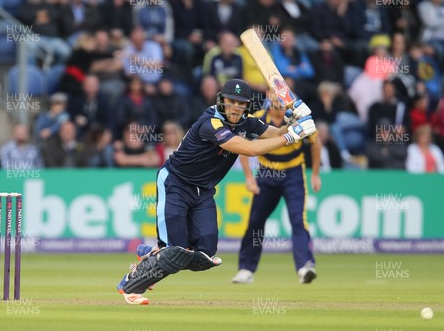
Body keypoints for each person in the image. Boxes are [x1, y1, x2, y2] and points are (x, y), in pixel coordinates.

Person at [115, 79, 317, 305]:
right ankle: (130, 285)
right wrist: (291, 135)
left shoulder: (246, 122)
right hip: (176, 184)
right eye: (231, 102)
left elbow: (275, 133)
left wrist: (293, 123)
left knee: (204, 254)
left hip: (203, 192)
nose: (236, 107)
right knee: (174, 252)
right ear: (222, 101)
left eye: (241, 104)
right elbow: (249, 149)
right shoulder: (210, 123)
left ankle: (149, 254)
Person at [231, 91, 321, 285]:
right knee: (255, 220)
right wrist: (249, 178)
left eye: (281, 95)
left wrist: (315, 173)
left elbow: (315, 143)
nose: (277, 99)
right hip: (267, 173)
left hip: (293, 173)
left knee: (298, 220)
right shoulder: (258, 119)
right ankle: (246, 269)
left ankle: (305, 267)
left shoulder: (299, 117)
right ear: (269, 97)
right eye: (273, 94)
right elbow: (242, 147)